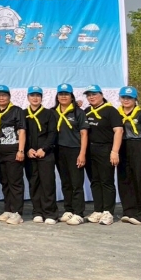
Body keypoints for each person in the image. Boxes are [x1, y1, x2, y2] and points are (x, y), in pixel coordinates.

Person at [82, 84, 124, 226]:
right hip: (90, 150)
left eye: (94, 94)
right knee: (94, 180)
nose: (91, 97)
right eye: (89, 95)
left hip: (105, 149)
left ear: (101, 95)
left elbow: (118, 131)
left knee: (106, 181)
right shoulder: (87, 111)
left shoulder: (111, 111)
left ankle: (108, 212)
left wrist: (114, 151)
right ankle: (98, 210)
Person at [116, 86, 141, 225]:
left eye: (129, 98)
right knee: (125, 178)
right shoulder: (117, 114)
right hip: (122, 146)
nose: (126, 100)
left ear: (135, 99)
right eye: (123, 97)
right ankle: (129, 211)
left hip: (138, 145)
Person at [0, 85, 27, 225]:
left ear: (9, 96)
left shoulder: (17, 110)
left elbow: (22, 131)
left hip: (13, 150)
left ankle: (17, 212)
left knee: (15, 182)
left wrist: (20, 150)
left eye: (4, 95)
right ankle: (8, 209)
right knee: (4, 181)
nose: (1, 98)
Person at [54, 83, 89, 226]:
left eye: (66, 94)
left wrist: (82, 153)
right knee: (65, 182)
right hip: (59, 151)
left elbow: (84, 134)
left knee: (76, 183)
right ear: (57, 96)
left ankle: (79, 213)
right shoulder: (53, 112)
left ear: (71, 96)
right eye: (61, 94)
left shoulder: (78, 112)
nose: (63, 96)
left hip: (75, 150)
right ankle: (68, 209)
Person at [23, 86, 59, 224]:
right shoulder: (23, 113)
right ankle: (37, 211)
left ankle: (50, 213)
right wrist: (27, 149)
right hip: (30, 155)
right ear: (28, 97)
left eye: (38, 95)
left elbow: (52, 133)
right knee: (34, 183)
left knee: (47, 183)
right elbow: (21, 134)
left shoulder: (49, 113)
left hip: (46, 154)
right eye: (32, 95)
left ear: (41, 98)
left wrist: (44, 148)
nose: (35, 98)